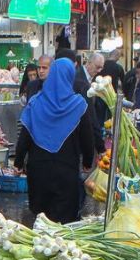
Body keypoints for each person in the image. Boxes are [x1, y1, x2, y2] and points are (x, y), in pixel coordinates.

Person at [14, 58, 95, 223]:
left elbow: (25, 136)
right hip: (67, 171)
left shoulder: (36, 103)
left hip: (38, 171)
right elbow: (88, 137)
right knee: (65, 222)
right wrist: (87, 161)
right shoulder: (78, 105)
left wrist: (18, 162)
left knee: (42, 221)